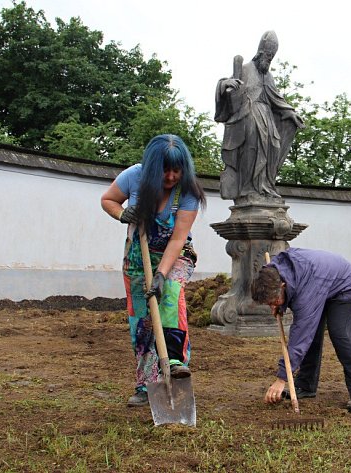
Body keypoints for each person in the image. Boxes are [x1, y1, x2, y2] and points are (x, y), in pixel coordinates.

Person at [101, 134, 206, 407]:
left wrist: (160, 274)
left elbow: (177, 239)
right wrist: (122, 214)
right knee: (142, 320)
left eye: (176, 169)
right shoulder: (134, 176)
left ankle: (174, 364)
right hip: (137, 257)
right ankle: (147, 385)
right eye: (164, 170)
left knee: (170, 294)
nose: (170, 176)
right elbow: (109, 200)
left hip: (176, 255)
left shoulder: (189, 192)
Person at [251, 248, 351, 413]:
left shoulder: (306, 293)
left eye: (274, 301)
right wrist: (280, 304)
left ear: (282, 286)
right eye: (269, 304)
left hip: (346, 286)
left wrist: (281, 378)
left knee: (340, 335)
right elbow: (289, 293)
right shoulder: (273, 272)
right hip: (321, 283)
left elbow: (301, 335)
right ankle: (305, 385)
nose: (272, 306)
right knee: (313, 336)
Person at [214, 30, 304, 201]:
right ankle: (248, 188)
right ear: (260, 53)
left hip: (267, 118)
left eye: (271, 58)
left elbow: (276, 98)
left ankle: (266, 186)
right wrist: (227, 83)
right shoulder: (245, 69)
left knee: (274, 145)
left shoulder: (268, 76)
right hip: (247, 115)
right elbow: (228, 85)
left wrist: (290, 112)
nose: (268, 60)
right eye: (267, 56)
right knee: (253, 141)